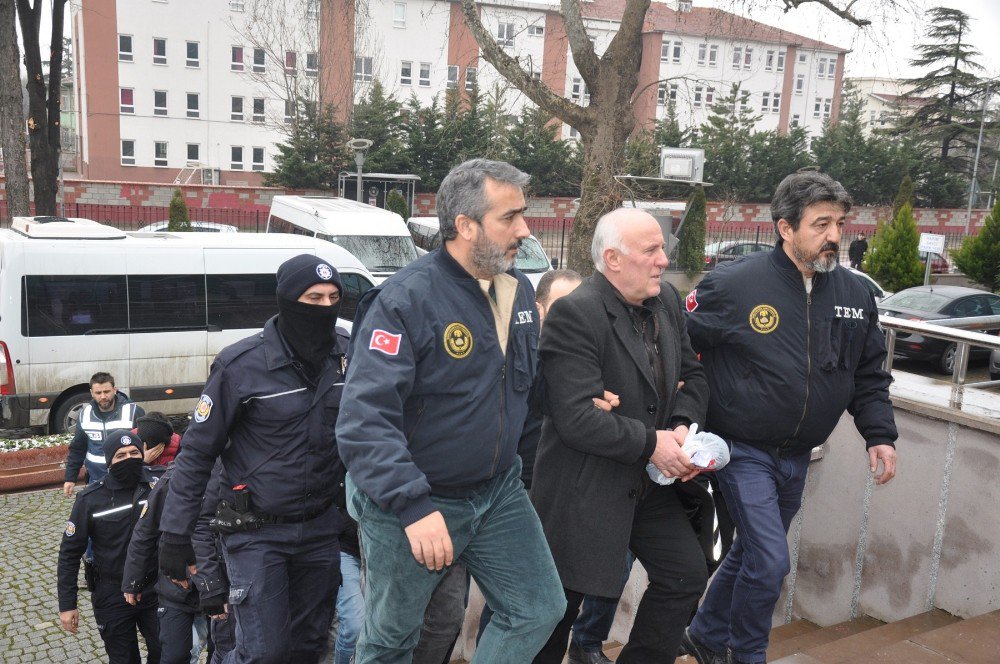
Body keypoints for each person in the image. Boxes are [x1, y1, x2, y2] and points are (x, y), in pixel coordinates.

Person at [336, 158, 566, 663]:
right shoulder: (404, 300)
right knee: (391, 640)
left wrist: (582, 396)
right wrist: (414, 507)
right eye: (510, 218)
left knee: (537, 608)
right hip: (415, 501)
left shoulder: (517, 289)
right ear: (465, 226)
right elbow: (364, 420)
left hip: (497, 490)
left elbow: (525, 386)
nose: (525, 231)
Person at [681, 171, 898, 664]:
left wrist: (879, 435)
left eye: (839, 223)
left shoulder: (856, 295)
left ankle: (705, 635)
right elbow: (677, 345)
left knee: (752, 554)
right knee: (771, 559)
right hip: (741, 449)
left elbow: (867, 373)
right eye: (821, 224)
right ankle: (747, 653)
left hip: (798, 455)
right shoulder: (732, 285)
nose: (835, 236)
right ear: (785, 228)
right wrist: (678, 414)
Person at [530, 207, 711, 664]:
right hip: (584, 489)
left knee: (685, 575)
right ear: (612, 258)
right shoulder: (575, 313)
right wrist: (654, 442)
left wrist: (681, 428)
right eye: (650, 250)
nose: (664, 259)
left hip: (648, 486)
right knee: (558, 612)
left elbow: (694, 377)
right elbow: (576, 419)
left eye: (662, 248)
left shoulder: (667, 300)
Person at [158, 253, 349, 664]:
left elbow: (364, 436)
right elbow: (195, 455)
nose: (324, 308)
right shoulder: (239, 366)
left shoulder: (347, 358)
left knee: (309, 646)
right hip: (257, 533)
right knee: (264, 652)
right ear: (285, 300)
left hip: (320, 530)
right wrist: (175, 535)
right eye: (313, 298)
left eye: (333, 298)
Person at [57, 429, 162, 664]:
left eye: (134, 452)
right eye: (120, 455)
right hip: (112, 592)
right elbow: (69, 553)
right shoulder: (90, 499)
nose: (129, 458)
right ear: (109, 462)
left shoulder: (159, 485)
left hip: (155, 589)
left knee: (167, 652)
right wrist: (67, 605)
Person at [122, 461, 229, 664]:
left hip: (221, 584)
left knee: (222, 653)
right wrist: (132, 581)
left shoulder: (234, 471)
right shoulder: (173, 477)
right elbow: (145, 531)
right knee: (174, 655)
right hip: (177, 588)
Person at [63, 372, 145, 495]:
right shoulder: (85, 415)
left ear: (115, 390)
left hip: (129, 481)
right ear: (91, 393)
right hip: (97, 482)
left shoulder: (133, 411)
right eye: (98, 393)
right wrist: (70, 478)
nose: (103, 396)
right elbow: (78, 448)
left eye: (107, 392)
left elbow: (145, 444)